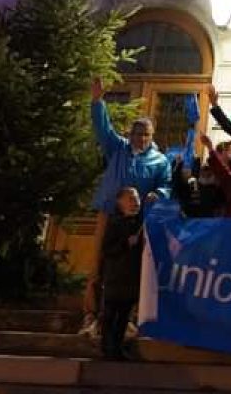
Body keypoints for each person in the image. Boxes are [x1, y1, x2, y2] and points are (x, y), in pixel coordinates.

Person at [81, 78, 171, 337]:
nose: (141, 138)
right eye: (137, 133)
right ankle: (91, 314)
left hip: (137, 220)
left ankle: (129, 318)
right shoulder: (118, 149)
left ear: (152, 137)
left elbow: (165, 185)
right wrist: (97, 101)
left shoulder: (160, 160)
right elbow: (102, 129)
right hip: (109, 212)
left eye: (146, 134)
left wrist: (159, 193)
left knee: (132, 269)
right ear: (130, 134)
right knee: (99, 261)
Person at [100, 187, 143, 361]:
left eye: (137, 199)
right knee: (110, 315)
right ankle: (107, 348)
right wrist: (125, 244)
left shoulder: (139, 224)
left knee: (124, 316)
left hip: (131, 278)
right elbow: (107, 249)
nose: (135, 203)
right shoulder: (115, 222)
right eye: (131, 199)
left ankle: (117, 348)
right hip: (115, 277)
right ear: (120, 202)